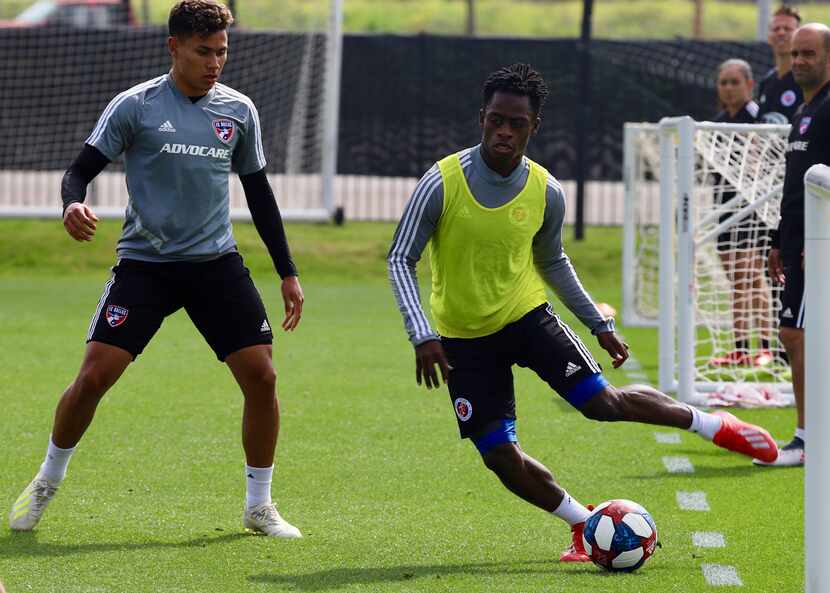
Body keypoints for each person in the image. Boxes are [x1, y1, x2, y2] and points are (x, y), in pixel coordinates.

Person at [387, 63, 780, 562]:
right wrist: (422, 334)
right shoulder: (441, 182)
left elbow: (552, 261)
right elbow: (401, 257)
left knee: (603, 405)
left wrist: (600, 323)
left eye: (517, 123)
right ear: (481, 118)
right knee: (499, 457)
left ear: (535, 127)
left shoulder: (546, 190)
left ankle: (710, 424)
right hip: (462, 339)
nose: (504, 132)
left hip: (527, 318)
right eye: (495, 120)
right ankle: (585, 523)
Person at [8, 0, 304, 537]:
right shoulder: (135, 106)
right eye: (203, 51)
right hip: (146, 264)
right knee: (94, 377)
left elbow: (260, 195)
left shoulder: (239, 111)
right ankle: (47, 481)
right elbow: (78, 173)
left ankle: (259, 505)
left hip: (215, 264)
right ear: (174, 47)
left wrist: (287, 271)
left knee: (262, 377)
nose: (215, 62)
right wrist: (72, 205)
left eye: (222, 52)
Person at [757, 23, 830, 468]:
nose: (799, 60)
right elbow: (794, 187)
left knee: (794, 335)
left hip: (817, 243)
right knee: (801, 336)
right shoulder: (806, 110)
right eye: (796, 53)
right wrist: (776, 240)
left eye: (809, 54)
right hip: (796, 241)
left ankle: (807, 438)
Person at [708, 59, 775, 367]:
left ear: (749, 85)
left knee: (747, 277)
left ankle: (756, 347)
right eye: (724, 82)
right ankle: (748, 347)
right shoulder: (718, 122)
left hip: (754, 210)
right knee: (740, 278)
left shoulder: (762, 119)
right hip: (724, 207)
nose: (729, 88)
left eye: (735, 82)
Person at [757, 5, 804, 124]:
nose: (781, 33)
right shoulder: (766, 81)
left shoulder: (807, 78)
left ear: (800, 35)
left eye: (787, 28)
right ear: (769, 37)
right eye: (776, 29)